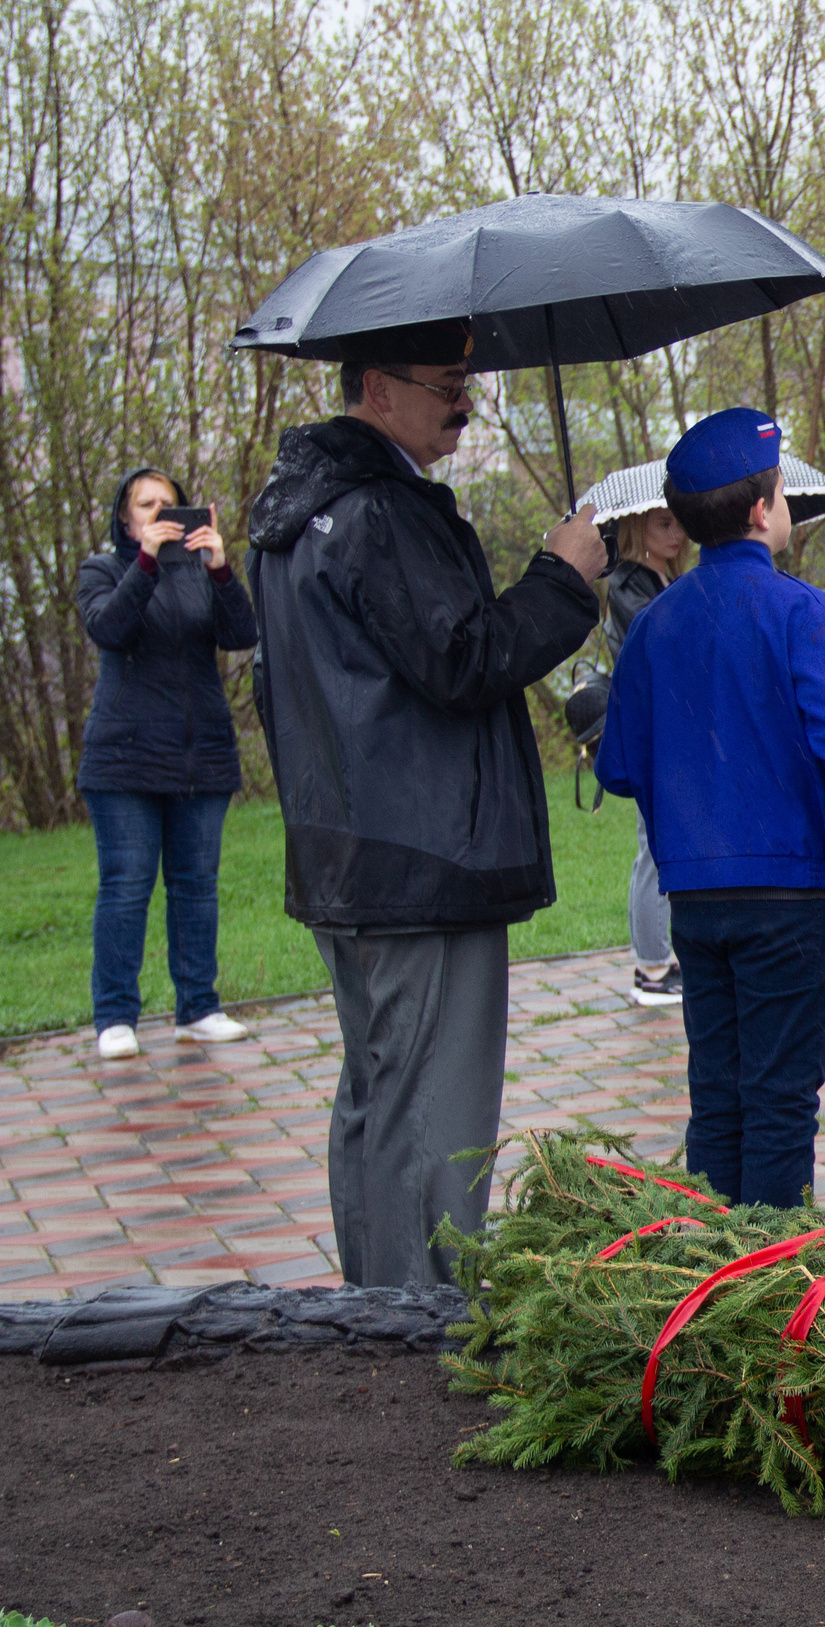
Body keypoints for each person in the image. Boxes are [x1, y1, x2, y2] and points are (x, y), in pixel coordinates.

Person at [244, 319, 607, 1287]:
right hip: (424, 861)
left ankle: (370, 1325)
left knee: (376, 1097)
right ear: (374, 389)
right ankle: (420, 1336)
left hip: (348, 857)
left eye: (466, 379)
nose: (465, 400)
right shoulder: (376, 514)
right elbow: (464, 656)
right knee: (434, 1121)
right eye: (447, 381)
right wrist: (563, 578)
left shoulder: (298, 517)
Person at [597, 410, 825, 1209]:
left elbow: (621, 767)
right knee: (778, 1105)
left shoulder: (654, 622)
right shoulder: (798, 610)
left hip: (695, 902)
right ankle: (768, 1287)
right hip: (789, 900)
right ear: (764, 510)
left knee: (720, 1098)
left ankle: (709, 1270)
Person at [76, 468, 259, 1059]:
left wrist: (221, 568)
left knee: (195, 887)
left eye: (169, 504)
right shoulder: (103, 571)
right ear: (126, 517)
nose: (159, 512)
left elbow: (242, 633)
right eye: (146, 505)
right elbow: (110, 627)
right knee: (127, 887)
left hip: (199, 752)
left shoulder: (200, 572)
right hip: (124, 759)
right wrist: (147, 562)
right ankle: (114, 1016)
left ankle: (198, 1009)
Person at [602, 506, 691, 1008]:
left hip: (667, 728)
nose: (676, 534)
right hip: (652, 731)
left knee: (664, 845)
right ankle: (651, 968)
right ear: (638, 529)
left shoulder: (658, 580)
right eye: (663, 525)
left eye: (679, 523)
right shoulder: (629, 584)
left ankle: (661, 957)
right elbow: (658, 648)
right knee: (653, 849)